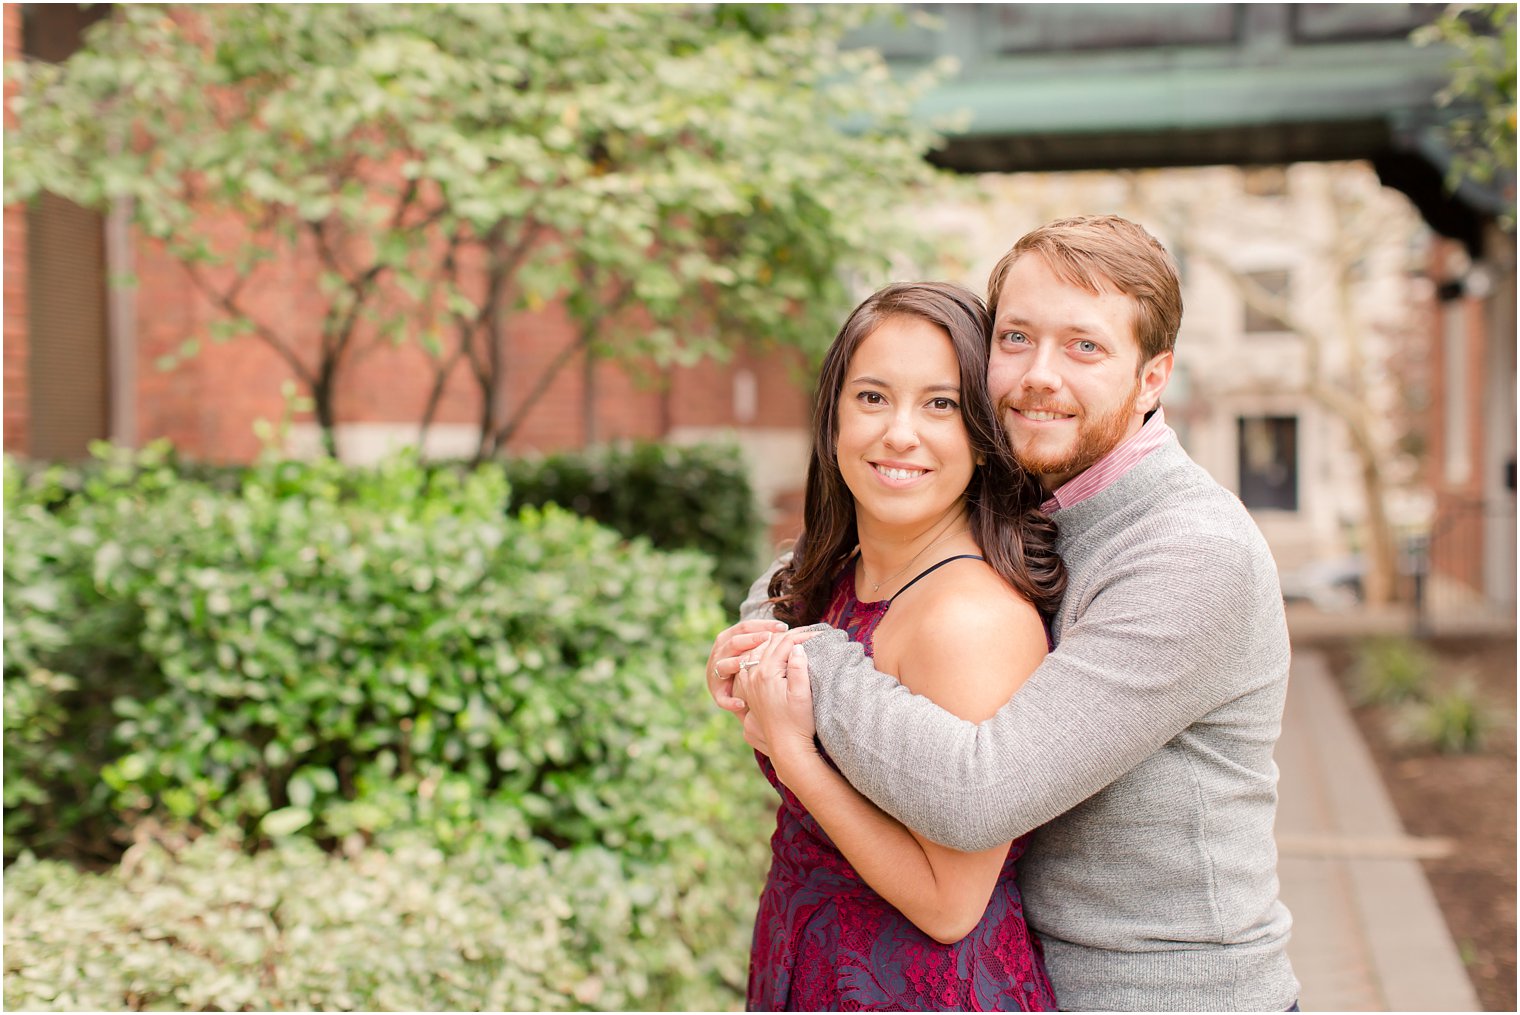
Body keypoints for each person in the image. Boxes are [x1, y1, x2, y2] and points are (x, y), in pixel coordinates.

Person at [714, 215, 1300, 1012]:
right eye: (1017, 338)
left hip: (1161, 991)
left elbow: (979, 794)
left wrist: (802, 663)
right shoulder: (1028, 477)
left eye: (1084, 347)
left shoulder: (1191, 552)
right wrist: (763, 640)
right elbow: (821, 564)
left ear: (1154, 377)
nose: (1038, 376)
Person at [730, 280, 1068, 1010]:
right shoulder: (838, 578)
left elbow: (951, 903)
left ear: (983, 437)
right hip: (804, 955)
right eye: (873, 397)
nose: (900, 433)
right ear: (834, 419)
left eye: (940, 404)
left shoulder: (969, 620)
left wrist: (794, 750)